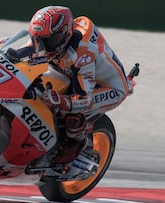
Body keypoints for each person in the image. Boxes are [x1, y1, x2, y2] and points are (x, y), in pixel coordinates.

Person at [21, 5, 134, 166]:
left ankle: (76, 145)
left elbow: (84, 98)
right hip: (71, 72)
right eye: (38, 39)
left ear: (65, 34)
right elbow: (23, 54)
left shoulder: (82, 53)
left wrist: (62, 101)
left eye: (49, 42)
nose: (43, 47)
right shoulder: (51, 37)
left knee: (72, 114)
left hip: (108, 87)